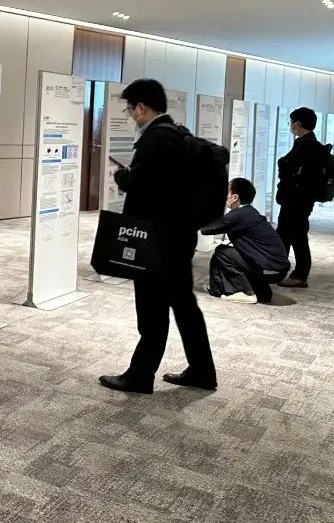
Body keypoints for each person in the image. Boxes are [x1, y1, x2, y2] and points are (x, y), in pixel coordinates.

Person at [98, 78, 218, 394]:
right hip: (179, 236)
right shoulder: (179, 134)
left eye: (129, 109)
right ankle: (202, 371)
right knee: (184, 305)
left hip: (156, 241)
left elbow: (145, 189)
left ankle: (140, 375)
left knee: (152, 307)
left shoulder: (155, 139)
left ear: (141, 107)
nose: (130, 115)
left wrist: (123, 177)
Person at [202, 178, 290, 305]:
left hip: (270, 268)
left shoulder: (238, 215)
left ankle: (244, 292)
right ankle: (261, 292)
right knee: (230, 255)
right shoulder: (248, 212)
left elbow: (207, 228)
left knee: (223, 253)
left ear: (235, 197)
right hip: (277, 268)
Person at [275, 107, 327, 288]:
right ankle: (282, 270)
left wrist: (283, 165)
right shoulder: (307, 143)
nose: (290, 125)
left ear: (297, 123)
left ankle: (296, 274)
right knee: (291, 235)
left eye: (291, 122)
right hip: (299, 199)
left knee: (293, 236)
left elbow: (290, 169)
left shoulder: (307, 145)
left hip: (297, 199)